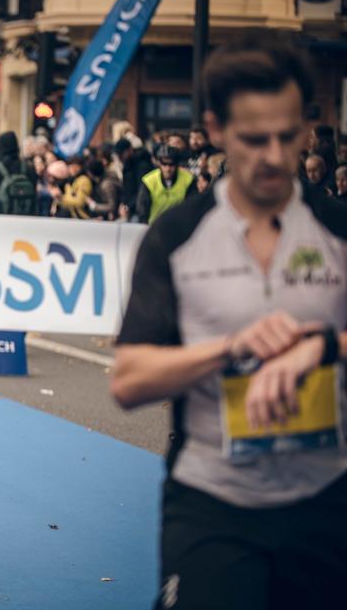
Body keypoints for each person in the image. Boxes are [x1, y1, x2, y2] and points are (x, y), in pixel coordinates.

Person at [111, 36, 346, 610]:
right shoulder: (178, 235)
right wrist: (230, 346)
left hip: (326, 498)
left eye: (287, 137)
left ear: (307, 131)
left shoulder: (337, 228)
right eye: (252, 139)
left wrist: (322, 348)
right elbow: (129, 381)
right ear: (215, 131)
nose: (272, 155)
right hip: (212, 499)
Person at [136, 144, 197, 224]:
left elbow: (191, 206)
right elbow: (142, 208)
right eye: (164, 164)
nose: (168, 168)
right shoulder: (149, 181)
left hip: (180, 226)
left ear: (177, 165)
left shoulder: (188, 179)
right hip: (155, 226)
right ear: (159, 164)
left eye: (171, 164)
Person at [114, 137, 153, 220]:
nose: (119, 158)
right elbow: (126, 189)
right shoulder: (127, 166)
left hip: (139, 210)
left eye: (121, 154)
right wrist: (123, 204)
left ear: (129, 150)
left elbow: (141, 191)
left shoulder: (142, 166)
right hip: (129, 208)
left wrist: (128, 206)